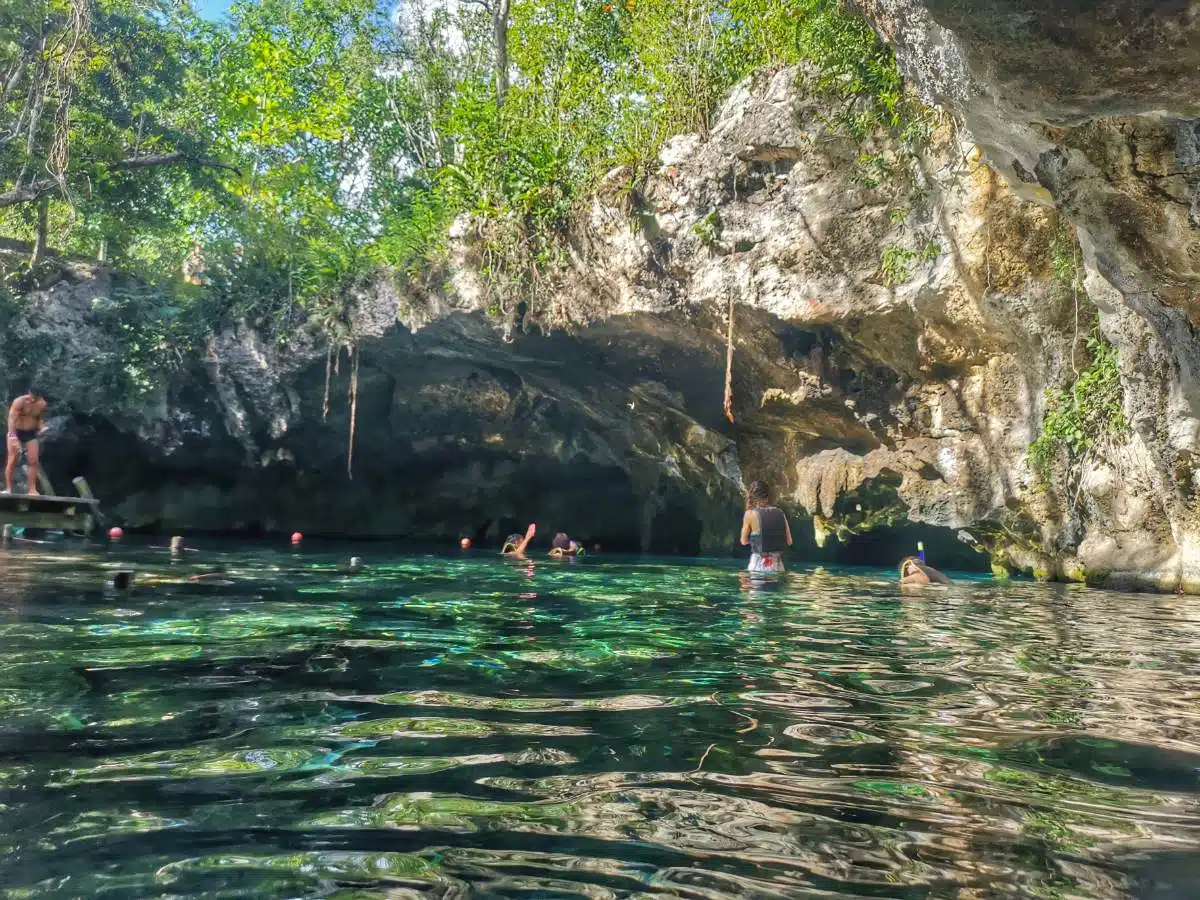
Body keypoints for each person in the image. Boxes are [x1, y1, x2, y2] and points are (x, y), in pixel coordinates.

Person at [740, 480, 792, 574]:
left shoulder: (750, 514)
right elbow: (789, 541)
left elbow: (743, 542)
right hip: (777, 564)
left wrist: (756, 540)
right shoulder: (780, 513)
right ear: (767, 497)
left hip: (758, 563)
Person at [5, 388, 47, 496]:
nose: (33, 399)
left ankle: (32, 490)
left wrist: (42, 428)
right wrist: (13, 436)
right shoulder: (20, 401)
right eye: (32, 395)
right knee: (13, 459)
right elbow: (11, 419)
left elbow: (40, 419)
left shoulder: (42, 404)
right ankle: (8, 489)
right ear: (29, 392)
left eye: (36, 397)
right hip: (16, 431)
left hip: (30, 433)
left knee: (33, 461)